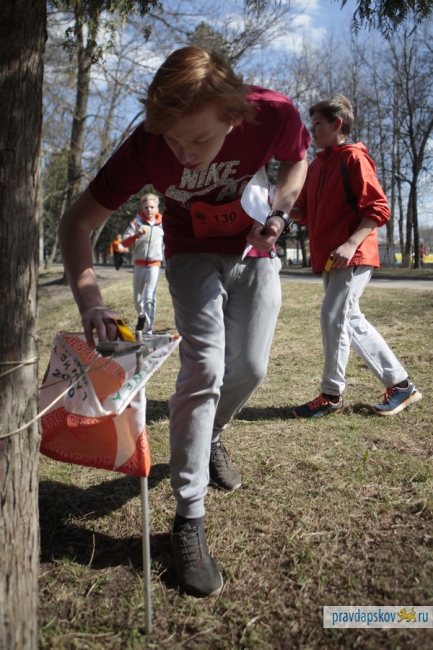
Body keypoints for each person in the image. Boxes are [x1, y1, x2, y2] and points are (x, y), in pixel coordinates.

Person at [58, 46, 310, 598]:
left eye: (199, 139)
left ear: (235, 115)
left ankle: (211, 434)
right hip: (189, 253)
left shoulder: (273, 112)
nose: (185, 155)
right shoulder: (147, 145)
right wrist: (91, 302)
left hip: (255, 249)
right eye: (174, 141)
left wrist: (279, 214)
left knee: (250, 367)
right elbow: (77, 223)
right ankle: (188, 518)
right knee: (205, 368)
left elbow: (297, 159)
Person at [290, 94, 422, 419]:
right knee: (350, 320)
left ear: (337, 124)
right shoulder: (316, 165)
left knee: (333, 315)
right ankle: (401, 385)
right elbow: (303, 212)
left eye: (317, 124)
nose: (312, 129)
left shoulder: (353, 158)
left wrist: (351, 243)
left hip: (353, 253)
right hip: (329, 257)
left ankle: (331, 394)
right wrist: (274, 205)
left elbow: (379, 208)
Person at [122, 193, 164, 333]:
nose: (149, 210)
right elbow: (124, 242)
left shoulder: (163, 224)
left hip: (154, 265)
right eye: (146, 207)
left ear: (157, 208)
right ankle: (141, 316)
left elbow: (169, 242)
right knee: (137, 298)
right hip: (139, 264)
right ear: (142, 208)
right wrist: (135, 235)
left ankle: (148, 331)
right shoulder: (136, 222)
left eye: (152, 207)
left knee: (149, 298)